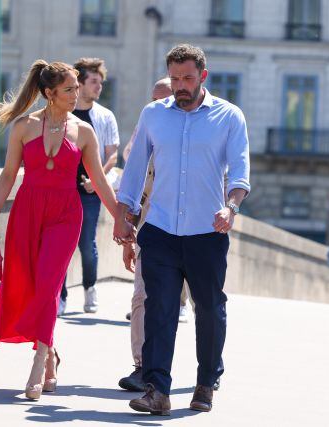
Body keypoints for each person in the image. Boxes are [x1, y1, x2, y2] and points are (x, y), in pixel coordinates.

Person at [0, 60, 133, 401]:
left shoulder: (84, 132)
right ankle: (50, 352)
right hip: (27, 211)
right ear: (49, 93)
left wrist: (120, 218)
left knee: (49, 286)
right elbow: (8, 174)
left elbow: (99, 180)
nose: (76, 94)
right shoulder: (23, 127)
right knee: (28, 284)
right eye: (69, 89)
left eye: (77, 88)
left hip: (66, 214)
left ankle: (37, 363)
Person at [116, 44, 250, 415]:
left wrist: (231, 206)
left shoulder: (229, 117)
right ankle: (157, 390)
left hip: (207, 230)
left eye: (188, 78)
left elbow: (240, 174)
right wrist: (122, 213)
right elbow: (135, 167)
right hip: (158, 228)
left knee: (209, 308)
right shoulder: (153, 115)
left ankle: (206, 382)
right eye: (175, 78)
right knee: (160, 309)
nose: (180, 85)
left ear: (203, 76)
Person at [119, 78, 196, 393]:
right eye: (153, 100)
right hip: (153, 228)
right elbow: (133, 178)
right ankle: (142, 367)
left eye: (163, 100)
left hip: (197, 231)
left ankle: (209, 370)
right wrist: (128, 229)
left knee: (204, 304)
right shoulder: (146, 129)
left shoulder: (200, 132)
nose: (156, 107)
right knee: (142, 296)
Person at [58, 58, 119, 316]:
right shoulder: (64, 116)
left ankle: (90, 289)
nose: (99, 87)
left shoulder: (105, 117)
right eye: (93, 82)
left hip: (91, 193)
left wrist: (96, 181)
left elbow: (113, 157)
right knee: (60, 245)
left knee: (86, 243)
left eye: (101, 83)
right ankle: (59, 297)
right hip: (62, 190)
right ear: (79, 84)